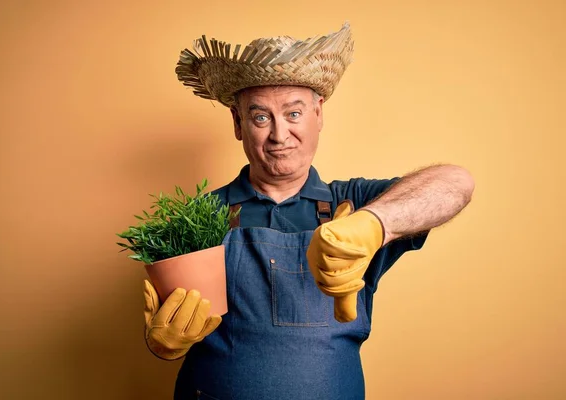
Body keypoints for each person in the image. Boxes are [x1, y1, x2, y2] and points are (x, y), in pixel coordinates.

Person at [143, 23, 474, 400]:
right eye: (261, 117)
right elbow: (165, 319)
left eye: (294, 113)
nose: (280, 135)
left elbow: (455, 183)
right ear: (238, 124)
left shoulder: (354, 203)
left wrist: (374, 224)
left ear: (319, 114)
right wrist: (162, 344)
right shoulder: (199, 217)